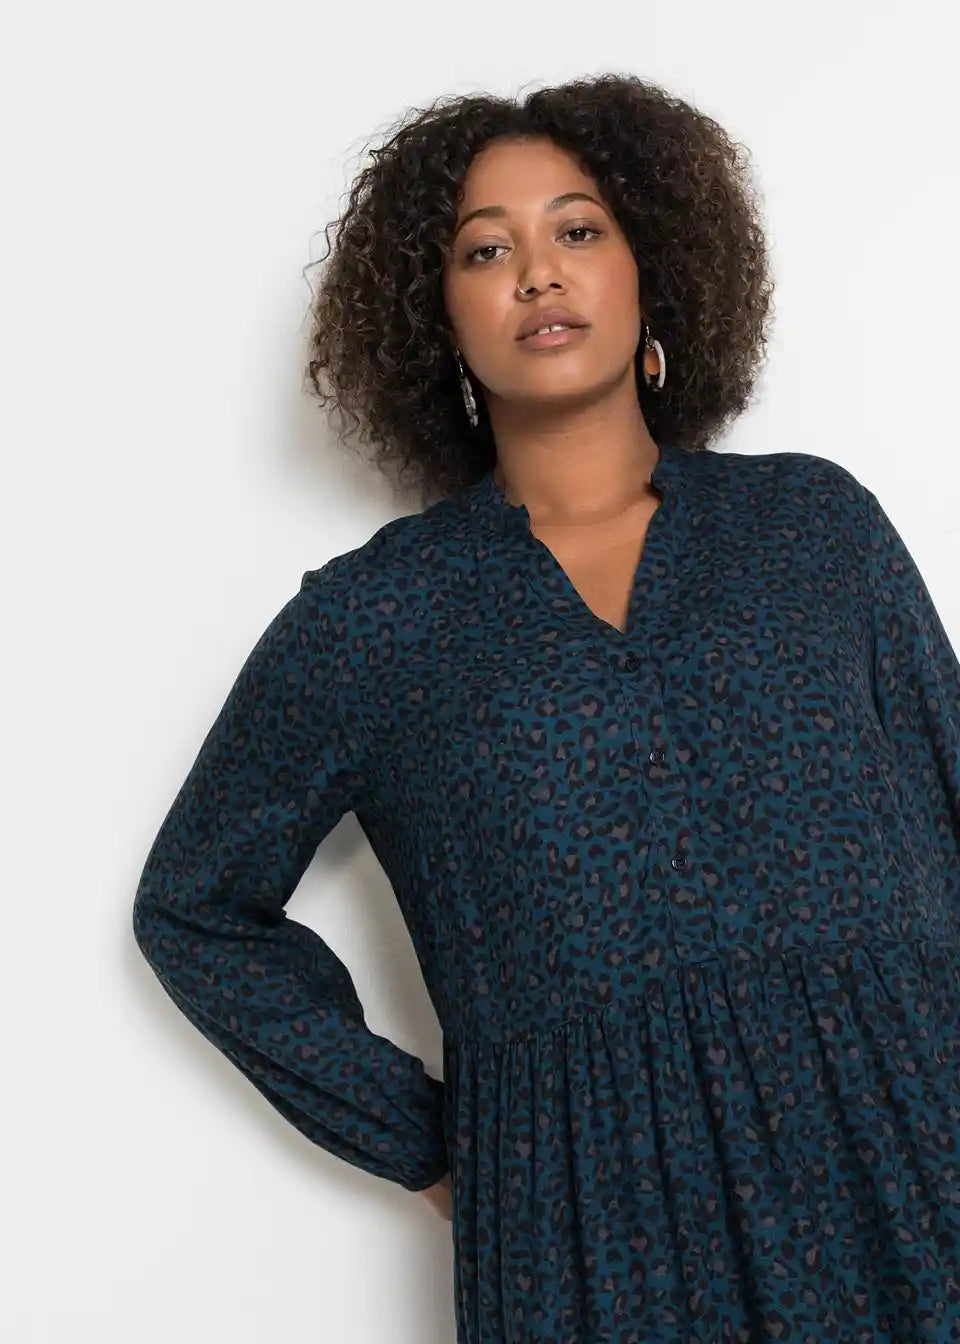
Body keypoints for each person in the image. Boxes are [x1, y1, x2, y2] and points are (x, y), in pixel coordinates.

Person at [132, 72, 960, 1343]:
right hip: (598, 1223)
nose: (537, 273)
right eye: (485, 249)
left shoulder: (813, 526)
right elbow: (195, 907)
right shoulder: (376, 620)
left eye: (578, 229)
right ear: (437, 318)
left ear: (651, 269)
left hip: (908, 1146)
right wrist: (431, 1143)